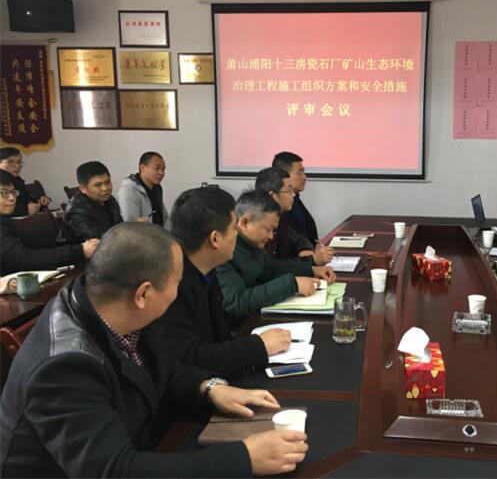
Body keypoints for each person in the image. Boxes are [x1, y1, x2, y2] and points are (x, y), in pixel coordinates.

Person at [0, 222, 308, 477]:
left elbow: (157, 367)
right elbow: (114, 470)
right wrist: (244, 459)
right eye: (177, 282)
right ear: (143, 294)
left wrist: (209, 388)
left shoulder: (110, 304)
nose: (179, 292)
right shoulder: (64, 367)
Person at [153, 187, 291, 380]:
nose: (237, 235)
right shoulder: (170, 285)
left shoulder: (205, 269)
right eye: (234, 228)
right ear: (215, 239)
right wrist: (258, 346)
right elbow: (190, 358)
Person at [217, 189, 336, 321]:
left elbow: (271, 269)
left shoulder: (252, 243)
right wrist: (292, 285)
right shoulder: (224, 251)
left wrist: (311, 269)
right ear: (244, 223)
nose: (271, 236)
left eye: (273, 231)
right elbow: (235, 302)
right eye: (267, 229)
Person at [0, 172, 98, 276]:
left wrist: (78, 247)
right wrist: (80, 250)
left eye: (13, 192)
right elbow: (24, 259)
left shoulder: (6, 221)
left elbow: (34, 248)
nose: (12, 198)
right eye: (4, 193)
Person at [255, 166, 334, 265]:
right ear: (272, 196)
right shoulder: (257, 225)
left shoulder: (281, 217)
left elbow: (299, 239)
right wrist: (311, 261)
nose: (293, 195)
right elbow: (271, 268)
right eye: (288, 190)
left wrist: (304, 249)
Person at [62, 161, 123, 243]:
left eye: (107, 182)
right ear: (83, 188)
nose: (105, 188)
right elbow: (99, 241)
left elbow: (119, 226)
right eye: (98, 185)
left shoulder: (107, 198)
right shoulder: (76, 212)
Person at [271, 152, 318, 244]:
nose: (304, 177)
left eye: (304, 172)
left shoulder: (296, 199)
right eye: (299, 173)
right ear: (284, 174)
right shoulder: (276, 207)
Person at [117, 151, 169, 225]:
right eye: (157, 168)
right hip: (143, 232)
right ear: (142, 168)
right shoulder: (128, 190)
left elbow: (164, 217)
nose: (162, 173)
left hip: (158, 231)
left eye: (163, 169)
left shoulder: (157, 188)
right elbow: (130, 225)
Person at [0, 147, 50, 217]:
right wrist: (25, 209)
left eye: (19, 162)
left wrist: (39, 202)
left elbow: (25, 200)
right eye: (10, 162)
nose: (17, 166)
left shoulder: (17, 179)